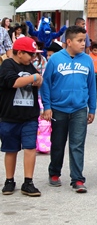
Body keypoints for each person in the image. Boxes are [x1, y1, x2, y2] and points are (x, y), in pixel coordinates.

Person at [41, 25, 96, 193]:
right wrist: (47, 106)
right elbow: (45, 84)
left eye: (84, 40)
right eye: (79, 41)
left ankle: (77, 179)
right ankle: (54, 173)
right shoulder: (55, 59)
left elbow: (91, 85)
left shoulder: (87, 60)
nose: (83, 44)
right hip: (58, 109)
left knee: (77, 144)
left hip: (79, 109)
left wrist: (92, 108)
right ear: (69, 41)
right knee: (58, 143)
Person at [0, 37, 44, 196]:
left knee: (30, 148)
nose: (33, 58)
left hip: (29, 117)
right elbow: (14, 82)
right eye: (30, 54)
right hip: (9, 116)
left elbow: (39, 79)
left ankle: (28, 182)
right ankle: (9, 180)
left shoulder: (30, 65)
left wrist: (38, 80)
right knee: (10, 150)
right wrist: (33, 78)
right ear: (19, 53)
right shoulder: (7, 65)